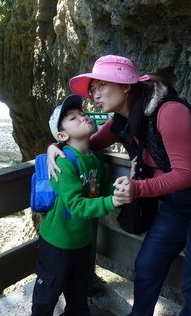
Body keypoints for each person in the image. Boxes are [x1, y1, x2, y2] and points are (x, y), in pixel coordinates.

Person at [47, 55, 191, 316]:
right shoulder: (122, 119)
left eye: (102, 85)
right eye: (92, 89)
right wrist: (52, 148)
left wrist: (137, 188)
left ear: (125, 85)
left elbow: (185, 174)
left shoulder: (170, 111)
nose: (95, 94)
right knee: (147, 265)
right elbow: (85, 144)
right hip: (176, 204)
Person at [32, 94, 127, 316]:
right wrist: (112, 201)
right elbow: (77, 205)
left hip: (82, 242)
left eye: (82, 113)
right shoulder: (62, 162)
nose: (82, 117)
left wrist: (118, 190)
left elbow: (99, 193)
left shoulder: (94, 159)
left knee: (78, 294)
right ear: (63, 135)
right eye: (73, 118)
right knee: (47, 296)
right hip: (57, 243)